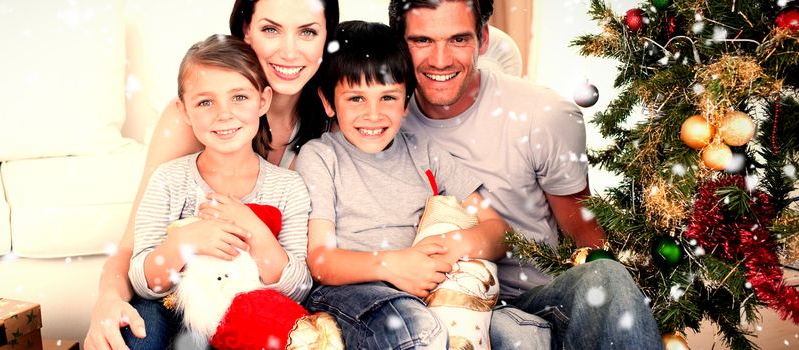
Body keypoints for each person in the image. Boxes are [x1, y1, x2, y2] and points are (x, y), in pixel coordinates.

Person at [387, 1, 663, 349]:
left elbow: (584, 230)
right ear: (399, 43)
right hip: (427, 307)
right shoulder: (377, 120)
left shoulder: (542, 114)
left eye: (458, 39)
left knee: (604, 278)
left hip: (534, 301)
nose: (440, 60)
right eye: (422, 40)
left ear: (483, 39)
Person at [84, 1, 339, 349]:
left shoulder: (344, 114)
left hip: (266, 304)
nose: (290, 50)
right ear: (246, 29)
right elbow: (135, 252)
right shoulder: (185, 134)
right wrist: (107, 302)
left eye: (307, 31)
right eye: (271, 29)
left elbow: (298, 277)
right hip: (179, 298)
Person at [295, 20, 509, 349]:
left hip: (423, 288)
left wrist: (455, 245)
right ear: (327, 101)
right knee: (414, 328)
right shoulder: (321, 157)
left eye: (388, 98)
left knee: (515, 333)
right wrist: (394, 265)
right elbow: (321, 260)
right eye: (355, 99)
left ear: (406, 101)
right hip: (351, 293)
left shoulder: (425, 153)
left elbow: (498, 231)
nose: (373, 114)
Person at [124, 34, 312, 348]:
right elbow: (144, 283)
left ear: (263, 101)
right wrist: (184, 244)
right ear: (184, 111)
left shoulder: (288, 187)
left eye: (239, 97)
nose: (224, 114)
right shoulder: (169, 179)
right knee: (143, 325)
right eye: (205, 102)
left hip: (249, 313)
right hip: (177, 307)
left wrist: (255, 231)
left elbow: (298, 288)